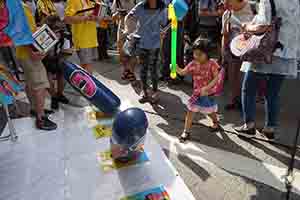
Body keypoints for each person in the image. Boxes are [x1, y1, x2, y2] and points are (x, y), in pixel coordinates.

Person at [235, 0, 300, 140]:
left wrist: (247, 26)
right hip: (286, 53)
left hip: (266, 51)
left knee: (249, 88)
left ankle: (249, 125)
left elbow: (262, 26)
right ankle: (270, 128)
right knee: (273, 93)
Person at [16, 1, 57, 130]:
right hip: (28, 52)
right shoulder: (20, 7)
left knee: (30, 82)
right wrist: (32, 51)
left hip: (25, 51)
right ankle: (41, 118)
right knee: (41, 84)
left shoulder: (21, 6)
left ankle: (35, 109)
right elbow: (19, 32)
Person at [177, 37, 221, 143]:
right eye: (195, 53)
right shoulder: (193, 64)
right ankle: (186, 131)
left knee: (210, 111)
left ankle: (216, 122)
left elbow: (217, 78)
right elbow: (183, 72)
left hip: (209, 94)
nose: (196, 56)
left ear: (207, 54)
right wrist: (175, 68)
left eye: (200, 54)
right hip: (196, 94)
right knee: (190, 111)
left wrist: (207, 87)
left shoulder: (212, 64)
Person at [126, 0, 168, 103]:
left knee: (153, 68)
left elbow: (163, 24)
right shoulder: (141, 5)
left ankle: (155, 93)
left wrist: (163, 32)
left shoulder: (163, 7)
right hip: (142, 42)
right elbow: (128, 16)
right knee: (143, 68)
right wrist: (128, 31)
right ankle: (145, 92)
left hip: (155, 43)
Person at [221, 0, 254, 110]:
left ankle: (247, 103)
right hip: (233, 52)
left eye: (229, 2)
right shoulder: (227, 13)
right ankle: (235, 101)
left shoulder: (254, 8)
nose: (226, 5)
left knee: (247, 78)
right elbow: (224, 35)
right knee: (233, 77)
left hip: (250, 53)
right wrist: (223, 53)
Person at [64, 0, 107, 73]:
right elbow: (67, 19)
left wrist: (98, 18)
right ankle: (89, 83)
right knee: (87, 67)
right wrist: (84, 18)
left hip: (92, 38)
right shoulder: (73, 1)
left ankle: (85, 82)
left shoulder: (92, 1)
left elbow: (98, 18)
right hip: (82, 39)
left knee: (86, 67)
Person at [42, 15, 70, 110]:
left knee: (62, 74)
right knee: (48, 80)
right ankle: (54, 97)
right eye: (55, 28)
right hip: (45, 59)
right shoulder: (43, 36)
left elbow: (66, 51)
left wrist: (61, 61)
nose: (57, 31)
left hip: (58, 57)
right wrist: (51, 41)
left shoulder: (64, 35)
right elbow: (41, 53)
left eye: (59, 28)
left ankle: (60, 94)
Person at [111, 0, 136, 81]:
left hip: (134, 29)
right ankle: (126, 70)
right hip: (121, 29)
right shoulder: (117, 1)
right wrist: (117, 14)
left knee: (132, 53)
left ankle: (130, 72)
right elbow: (113, 18)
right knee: (121, 52)